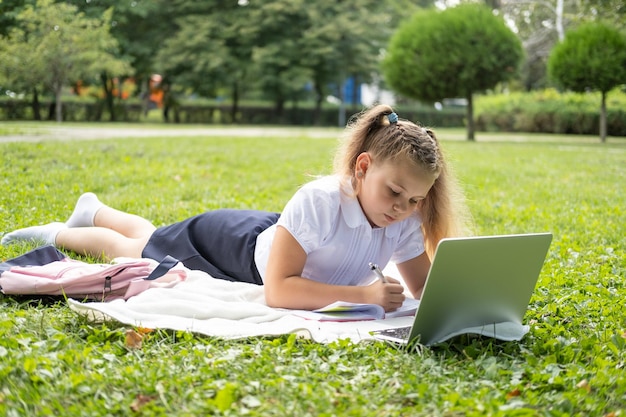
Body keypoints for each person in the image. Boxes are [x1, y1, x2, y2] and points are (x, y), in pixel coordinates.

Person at [1, 104, 471, 312]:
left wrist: (470, 298)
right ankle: (56, 233)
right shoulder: (321, 201)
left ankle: (94, 207)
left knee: (152, 234)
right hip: (233, 247)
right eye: (394, 192)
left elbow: (424, 289)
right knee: (137, 249)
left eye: (415, 200)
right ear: (363, 167)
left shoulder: (404, 216)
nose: (402, 208)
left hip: (279, 237)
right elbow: (280, 291)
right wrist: (363, 296)